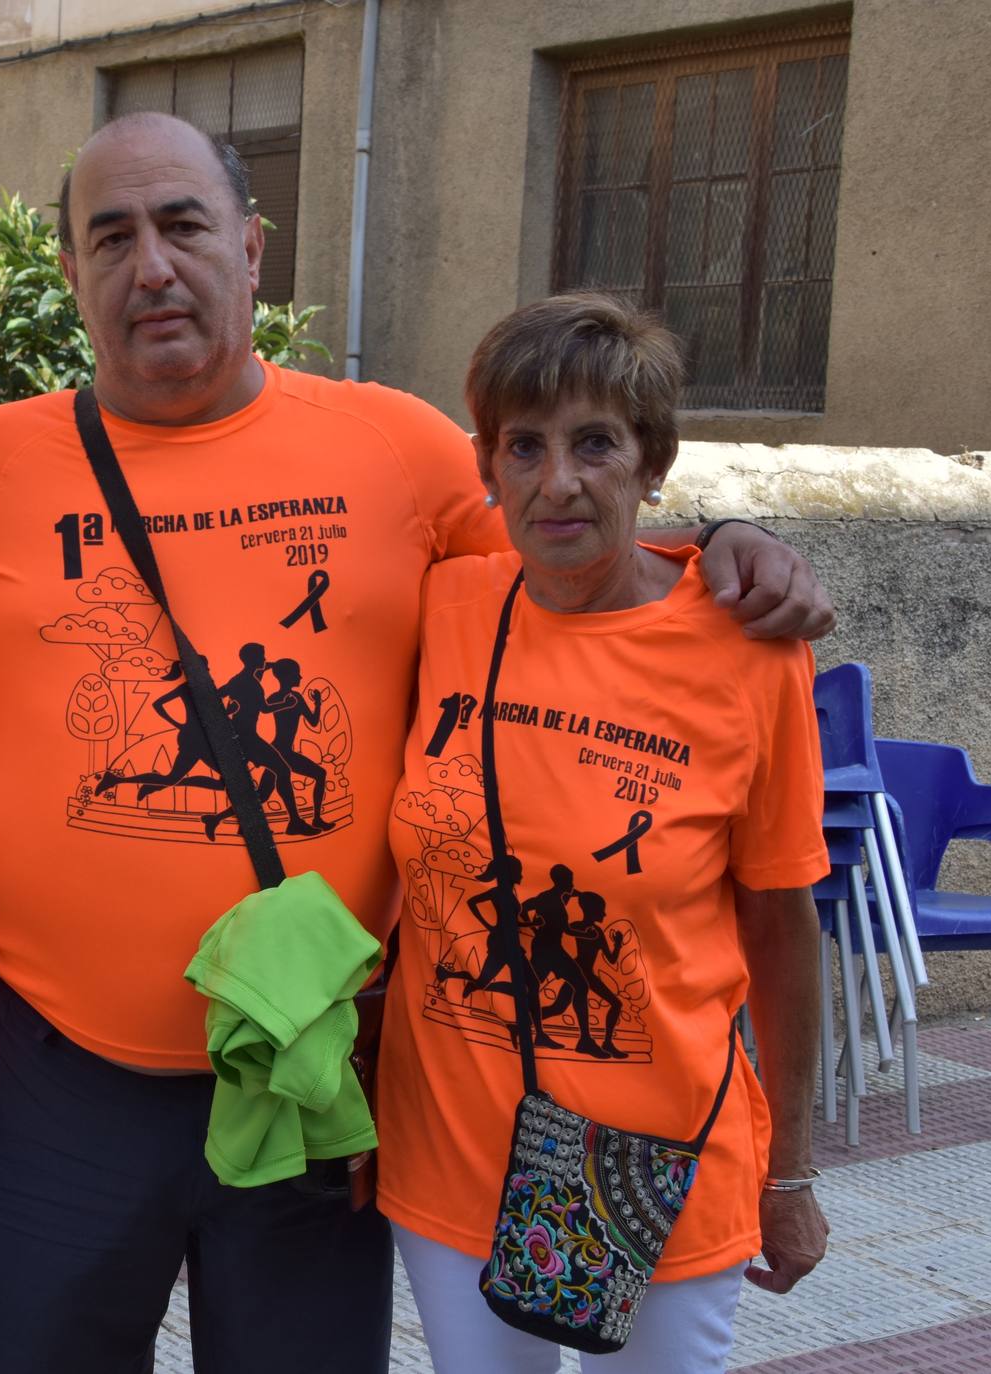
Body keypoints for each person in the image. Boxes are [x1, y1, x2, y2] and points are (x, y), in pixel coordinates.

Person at [0, 113, 835, 1373]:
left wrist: (719, 538)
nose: (152, 266)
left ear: (251, 245)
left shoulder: (391, 446)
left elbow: (570, 547)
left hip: (310, 1064)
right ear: (72, 274)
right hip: (58, 1076)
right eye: (109, 237)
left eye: (182, 226)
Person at [379, 294, 829, 1372]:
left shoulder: (745, 651)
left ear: (652, 460)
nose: (558, 481)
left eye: (596, 444)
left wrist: (795, 1174)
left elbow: (781, 923)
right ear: (486, 465)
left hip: (654, 1162)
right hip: (454, 1153)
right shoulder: (447, 604)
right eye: (523, 446)